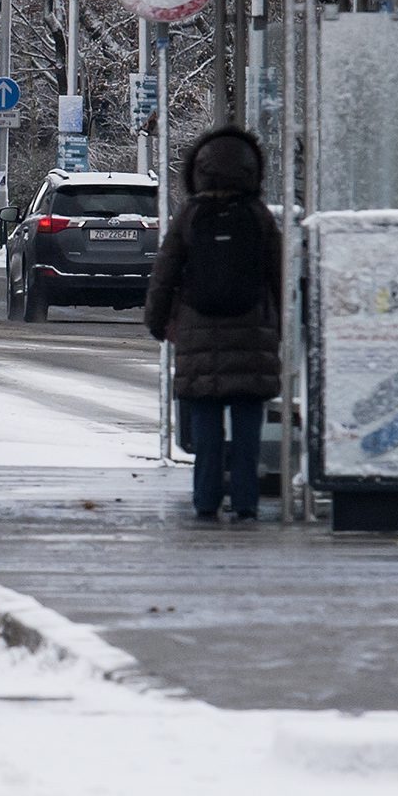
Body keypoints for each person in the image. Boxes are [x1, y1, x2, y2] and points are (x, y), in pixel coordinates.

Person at [144, 125, 283, 523]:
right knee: (246, 433)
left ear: (198, 170)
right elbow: (279, 275)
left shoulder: (190, 216)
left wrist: (157, 322)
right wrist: (284, 327)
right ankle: (245, 503)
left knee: (205, 430)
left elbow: (165, 273)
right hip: (252, 334)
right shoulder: (258, 217)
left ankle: (205, 501)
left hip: (196, 335)